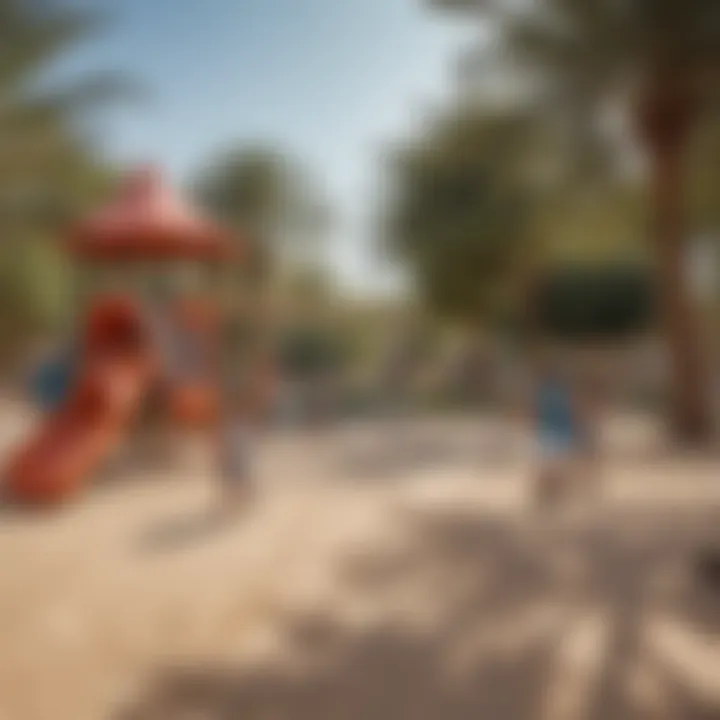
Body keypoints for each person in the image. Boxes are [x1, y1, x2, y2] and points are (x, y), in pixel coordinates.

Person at [532, 352, 583, 507]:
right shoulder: (557, 392)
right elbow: (570, 412)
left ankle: (549, 494)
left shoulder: (547, 392)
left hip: (552, 431)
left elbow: (538, 413)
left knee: (551, 465)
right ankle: (549, 493)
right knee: (554, 465)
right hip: (556, 431)